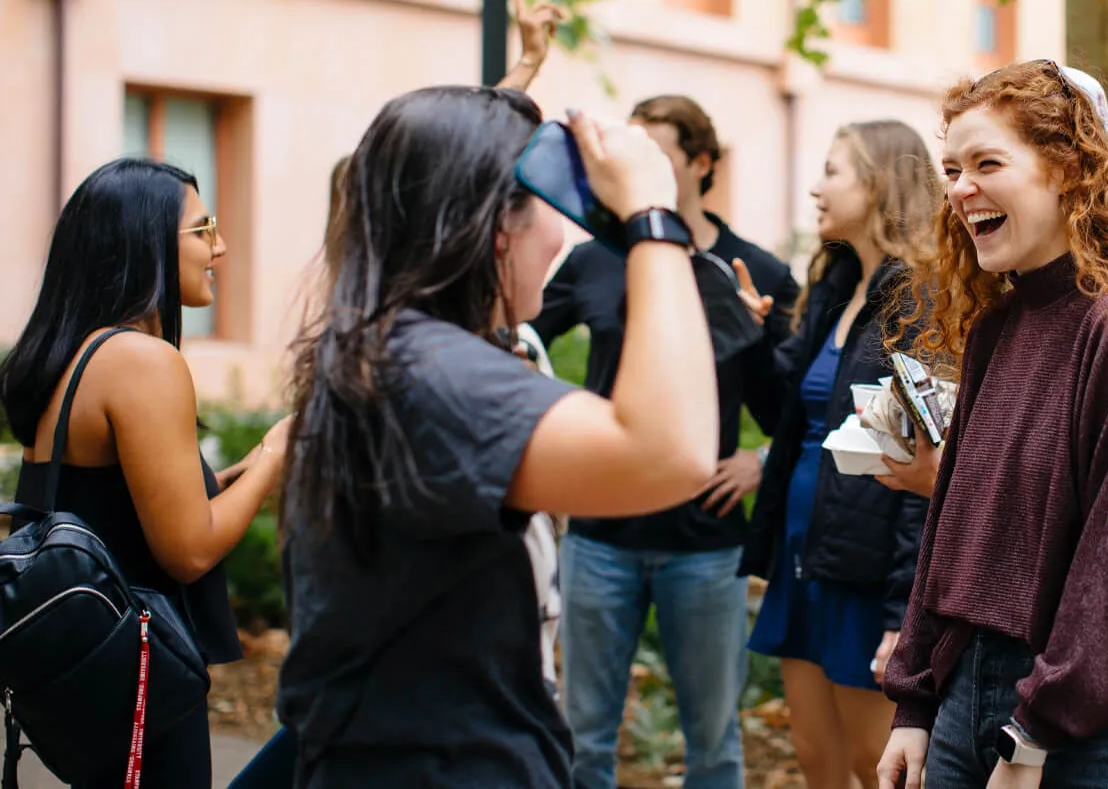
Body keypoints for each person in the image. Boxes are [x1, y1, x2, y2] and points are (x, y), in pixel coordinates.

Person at [276, 88, 720, 786]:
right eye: (549, 203)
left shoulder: (393, 349)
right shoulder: (430, 370)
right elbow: (673, 453)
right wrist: (651, 219)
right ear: (493, 228)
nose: (562, 236)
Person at [875, 61, 1108, 789]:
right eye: (951, 168)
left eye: (987, 163)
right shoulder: (998, 326)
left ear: (1067, 170)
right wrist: (914, 701)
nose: (960, 188)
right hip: (961, 695)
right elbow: (953, 526)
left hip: (1086, 728)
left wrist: (1032, 736)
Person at [532, 94, 799, 789]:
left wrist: (761, 459)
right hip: (597, 537)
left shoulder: (759, 271)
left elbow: (797, 411)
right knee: (582, 737)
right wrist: (555, 453)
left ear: (700, 162)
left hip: (707, 546)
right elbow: (516, 346)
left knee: (713, 741)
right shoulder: (595, 259)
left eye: (656, 151)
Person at [0, 158, 290, 788]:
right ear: (144, 241)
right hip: (140, 688)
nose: (221, 245)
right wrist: (276, 452)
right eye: (202, 228)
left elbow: (124, 504)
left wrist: (240, 475)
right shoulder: (140, 360)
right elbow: (189, 549)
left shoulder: (81, 355)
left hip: (94, 681)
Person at [741, 120, 942, 789]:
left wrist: (901, 612)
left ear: (881, 182)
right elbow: (790, 420)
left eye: (833, 170)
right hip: (805, 557)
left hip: (865, 571)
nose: (816, 186)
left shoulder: (917, 299)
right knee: (817, 759)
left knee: (874, 764)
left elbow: (922, 466)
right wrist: (753, 338)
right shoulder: (831, 289)